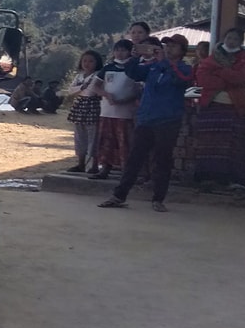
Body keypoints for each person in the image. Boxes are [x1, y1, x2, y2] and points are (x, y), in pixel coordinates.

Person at [98, 35, 194, 212]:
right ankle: (119, 196)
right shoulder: (153, 67)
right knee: (135, 158)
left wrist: (163, 61)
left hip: (168, 120)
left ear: (182, 51)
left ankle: (158, 198)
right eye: (167, 45)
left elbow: (180, 79)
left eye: (173, 46)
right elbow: (133, 73)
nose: (169, 49)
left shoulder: (185, 68)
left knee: (162, 160)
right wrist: (135, 57)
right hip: (146, 118)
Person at [192, 28, 245, 193]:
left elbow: (241, 78)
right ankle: (208, 178)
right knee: (209, 143)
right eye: (229, 37)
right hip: (212, 106)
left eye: (235, 39)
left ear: (241, 42)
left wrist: (219, 72)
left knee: (234, 146)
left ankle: (234, 180)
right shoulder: (211, 58)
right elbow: (203, 79)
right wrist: (227, 79)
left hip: (234, 107)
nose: (231, 41)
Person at [90, 39, 139, 180]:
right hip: (107, 111)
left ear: (130, 52)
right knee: (106, 141)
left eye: (123, 50)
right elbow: (95, 86)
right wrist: (106, 94)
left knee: (124, 142)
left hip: (125, 113)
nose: (119, 53)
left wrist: (123, 101)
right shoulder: (108, 68)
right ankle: (105, 168)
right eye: (117, 50)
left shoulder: (134, 69)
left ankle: (126, 171)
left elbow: (138, 90)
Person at [66, 50, 104, 173]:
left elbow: (91, 90)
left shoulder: (99, 75)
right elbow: (70, 90)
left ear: (97, 63)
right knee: (79, 136)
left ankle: (94, 165)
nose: (87, 64)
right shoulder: (79, 76)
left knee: (93, 136)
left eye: (91, 61)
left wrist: (79, 89)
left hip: (93, 105)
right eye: (84, 61)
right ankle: (81, 163)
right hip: (80, 105)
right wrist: (81, 88)